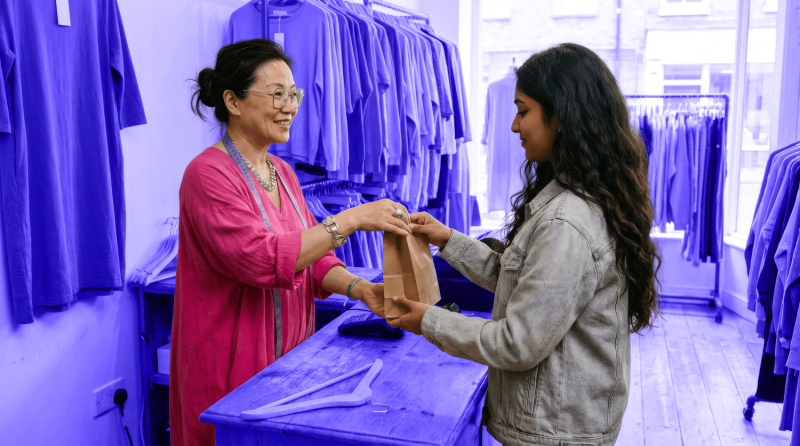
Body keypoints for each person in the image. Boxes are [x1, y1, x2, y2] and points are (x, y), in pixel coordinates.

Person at [388, 43, 662, 446]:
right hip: (561, 423)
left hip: (555, 432)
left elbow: (518, 342)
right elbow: (525, 282)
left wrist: (427, 320)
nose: (515, 126)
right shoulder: (581, 197)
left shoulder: (566, 222)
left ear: (563, 115)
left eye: (522, 111)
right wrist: (447, 239)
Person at [169, 39, 409, 446]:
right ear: (233, 100)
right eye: (276, 94)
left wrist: (361, 289)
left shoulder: (282, 172)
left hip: (289, 357)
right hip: (229, 360)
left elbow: (311, 259)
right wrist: (350, 219)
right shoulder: (207, 174)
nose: (290, 106)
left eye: (292, 94)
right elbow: (261, 259)